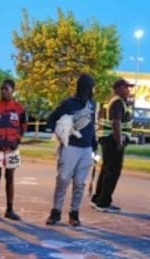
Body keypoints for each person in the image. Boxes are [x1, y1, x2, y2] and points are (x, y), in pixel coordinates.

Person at [45, 74, 98, 227]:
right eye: (88, 87)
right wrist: (59, 133)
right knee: (63, 179)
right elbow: (52, 119)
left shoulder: (92, 105)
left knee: (80, 183)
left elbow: (91, 126)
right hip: (70, 147)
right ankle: (56, 212)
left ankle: (74, 213)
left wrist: (94, 143)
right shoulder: (69, 104)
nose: (90, 91)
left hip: (87, 148)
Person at [0, 79, 27, 220]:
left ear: (12, 91)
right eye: (2, 89)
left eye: (6, 89)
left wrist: (18, 139)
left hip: (12, 149)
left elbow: (23, 125)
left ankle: (10, 209)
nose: (3, 91)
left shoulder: (19, 108)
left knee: (10, 177)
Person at [92, 78, 133, 212]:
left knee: (106, 169)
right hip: (113, 139)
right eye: (126, 87)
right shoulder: (117, 102)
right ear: (119, 89)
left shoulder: (110, 100)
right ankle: (104, 202)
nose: (129, 90)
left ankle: (98, 198)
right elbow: (116, 123)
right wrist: (119, 141)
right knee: (113, 171)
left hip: (106, 138)